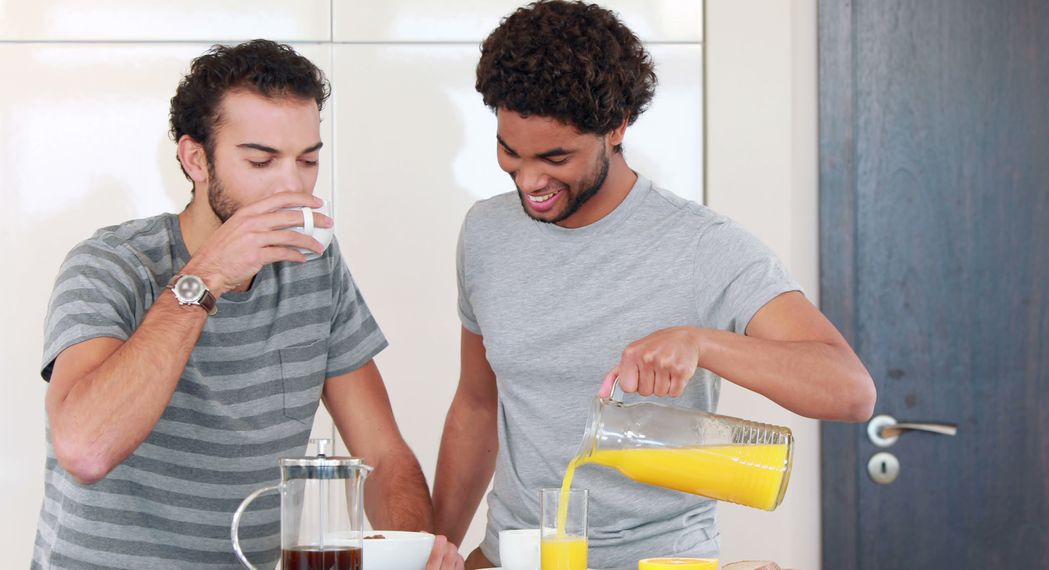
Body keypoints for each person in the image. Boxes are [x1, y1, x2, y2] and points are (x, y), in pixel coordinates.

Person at [431, 2, 876, 568]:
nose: (530, 181)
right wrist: (437, 547)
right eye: (509, 153)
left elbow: (850, 390)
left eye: (556, 157)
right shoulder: (486, 233)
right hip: (514, 556)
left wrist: (703, 343)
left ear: (617, 126)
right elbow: (475, 404)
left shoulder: (703, 246)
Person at [33, 39, 462, 569]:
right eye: (261, 160)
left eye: (307, 161)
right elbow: (85, 449)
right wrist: (208, 275)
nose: (292, 186)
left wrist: (414, 549)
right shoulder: (111, 264)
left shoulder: (314, 269)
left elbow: (380, 452)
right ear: (196, 159)